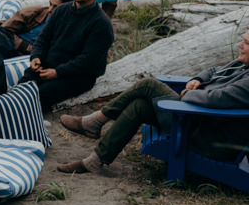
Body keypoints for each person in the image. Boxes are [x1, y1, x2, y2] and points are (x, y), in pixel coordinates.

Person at [58, 29, 249, 174]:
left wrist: (187, 95)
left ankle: (96, 120)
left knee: (149, 85)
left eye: (246, 43)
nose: (240, 45)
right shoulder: (242, 64)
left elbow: (216, 99)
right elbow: (214, 71)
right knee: (139, 106)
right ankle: (95, 160)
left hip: (206, 135)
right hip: (195, 119)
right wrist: (198, 79)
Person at [21, 0, 114, 112]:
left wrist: (57, 72)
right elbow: (43, 39)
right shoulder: (61, 10)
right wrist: (36, 57)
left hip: (78, 76)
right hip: (49, 65)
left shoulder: (101, 23)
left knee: (39, 96)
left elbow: (88, 61)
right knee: (21, 89)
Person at [0, 0, 74, 57]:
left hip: (18, 52)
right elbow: (4, 30)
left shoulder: (66, 28)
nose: (50, 9)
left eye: (55, 7)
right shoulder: (34, 13)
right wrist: (25, 46)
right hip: (8, 41)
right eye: (50, 4)